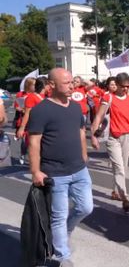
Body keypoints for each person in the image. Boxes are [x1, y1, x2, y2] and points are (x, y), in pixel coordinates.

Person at [27, 68, 93, 266]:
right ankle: (62, 256)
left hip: (79, 169)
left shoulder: (75, 107)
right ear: (52, 85)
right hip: (55, 173)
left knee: (86, 208)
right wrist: (35, 171)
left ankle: (65, 232)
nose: (71, 86)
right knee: (58, 215)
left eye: (72, 82)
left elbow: (81, 132)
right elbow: (34, 142)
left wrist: (84, 154)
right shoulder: (41, 110)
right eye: (66, 83)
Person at [91, 73, 129, 212]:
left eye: (128, 87)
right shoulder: (109, 97)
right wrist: (93, 136)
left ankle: (116, 191)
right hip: (113, 138)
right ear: (116, 85)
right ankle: (125, 197)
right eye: (123, 86)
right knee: (119, 168)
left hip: (127, 137)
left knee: (124, 168)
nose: (126, 89)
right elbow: (99, 116)